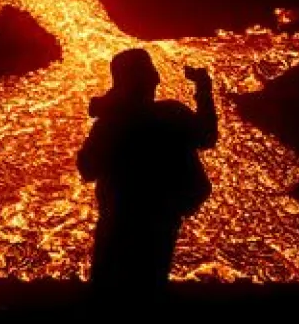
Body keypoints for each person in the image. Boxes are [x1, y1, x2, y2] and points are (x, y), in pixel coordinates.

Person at [76, 48, 218, 299]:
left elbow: (87, 168)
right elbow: (207, 136)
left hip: (117, 221)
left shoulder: (111, 123)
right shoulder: (172, 115)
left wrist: (108, 109)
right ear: (153, 79)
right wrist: (204, 89)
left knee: (108, 293)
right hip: (160, 220)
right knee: (150, 287)